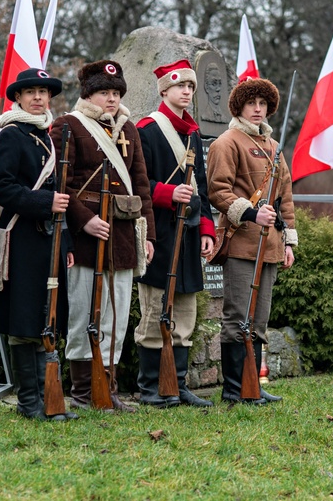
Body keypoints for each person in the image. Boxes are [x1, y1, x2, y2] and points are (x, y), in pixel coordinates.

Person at [51, 60, 155, 412]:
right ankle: (83, 392)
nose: (110, 99)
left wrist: (148, 235)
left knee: (118, 314)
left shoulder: (130, 130)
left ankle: (106, 389)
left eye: (115, 93)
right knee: (84, 313)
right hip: (85, 238)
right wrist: (84, 221)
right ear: (88, 95)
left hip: (124, 233)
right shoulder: (67, 126)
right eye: (103, 93)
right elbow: (60, 184)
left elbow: (141, 186)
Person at [0, 68, 78, 421]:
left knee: (47, 318)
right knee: (25, 321)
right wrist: (43, 203)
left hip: (50, 239)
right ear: (18, 98)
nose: (38, 97)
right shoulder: (11, 134)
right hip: (22, 238)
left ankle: (48, 399)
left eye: (43, 92)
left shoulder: (48, 136)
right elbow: (1, 187)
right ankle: (29, 403)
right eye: (31, 92)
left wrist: (66, 242)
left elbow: (61, 196)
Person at [207, 78, 297, 403]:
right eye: (251, 103)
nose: (258, 109)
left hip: (270, 245)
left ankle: (252, 386)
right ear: (239, 107)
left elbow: (284, 196)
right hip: (242, 243)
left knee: (258, 321)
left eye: (263, 103)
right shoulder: (226, 142)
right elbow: (218, 190)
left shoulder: (274, 148)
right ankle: (234, 390)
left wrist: (288, 241)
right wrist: (250, 213)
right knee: (237, 318)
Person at [134, 59, 216, 408]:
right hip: (160, 233)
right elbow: (137, 185)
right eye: (180, 86)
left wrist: (208, 231)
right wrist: (168, 194)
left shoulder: (193, 133)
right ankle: (151, 388)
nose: (186, 91)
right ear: (164, 90)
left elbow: (204, 189)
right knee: (155, 310)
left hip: (190, 233)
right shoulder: (147, 130)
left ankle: (177, 385)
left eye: (190, 87)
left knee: (184, 313)